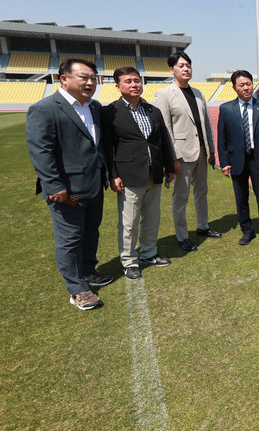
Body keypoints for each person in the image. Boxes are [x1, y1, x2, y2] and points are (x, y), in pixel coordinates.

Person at [26, 58, 112, 310]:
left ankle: (87, 271)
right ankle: (77, 289)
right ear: (64, 79)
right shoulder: (45, 109)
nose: (90, 82)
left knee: (91, 232)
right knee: (70, 239)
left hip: (94, 184)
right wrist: (53, 185)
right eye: (84, 77)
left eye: (93, 78)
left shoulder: (94, 107)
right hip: (66, 190)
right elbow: (41, 151)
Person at [101, 67, 176, 280]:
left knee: (152, 218)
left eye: (137, 80)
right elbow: (107, 147)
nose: (134, 84)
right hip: (129, 175)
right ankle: (129, 261)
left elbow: (163, 140)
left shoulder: (153, 110)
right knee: (129, 223)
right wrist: (113, 175)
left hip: (154, 172)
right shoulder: (110, 112)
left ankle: (149, 253)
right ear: (118, 87)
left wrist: (169, 167)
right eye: (128, 81)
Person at [154, 51, 221, 252]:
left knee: (202, 191)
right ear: (172, 69)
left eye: (188, 65)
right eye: (181, 66)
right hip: (182, 154)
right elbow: (165, 129)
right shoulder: (164, 94)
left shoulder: (198, 93)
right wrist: (173, 158)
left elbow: (205, 124)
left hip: (201, 151)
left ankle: (203, 226)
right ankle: (182, 235)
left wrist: (211, 150)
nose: (186, 69)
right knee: (181, 197)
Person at [217, 70, 259, 245]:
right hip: (236, 159)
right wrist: (224, 162)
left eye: (249, 84)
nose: (246, 88)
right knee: (241, 197)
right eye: (242, 85)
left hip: (258, 158)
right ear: (234, 88)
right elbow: (222, 138)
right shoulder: (226, 109)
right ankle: (247, 230)